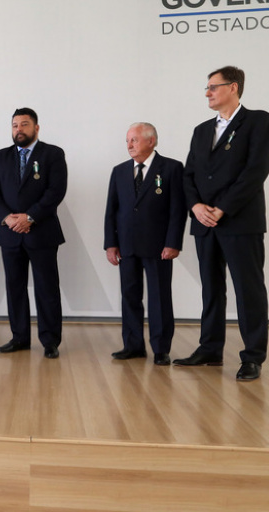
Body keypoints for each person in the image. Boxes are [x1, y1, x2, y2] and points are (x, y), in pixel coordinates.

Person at [173, 66, 269, 381]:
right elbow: (189, 174)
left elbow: (255, 171)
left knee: (248, 290)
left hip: (239, 222)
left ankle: (253, 357)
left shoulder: (259, 121)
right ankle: (210, 349)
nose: (207, 93)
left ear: (233, 87)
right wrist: (196, 206)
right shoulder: (202, 130)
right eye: (206, 88)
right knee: (211, 289)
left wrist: (222, 209)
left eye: (213, 87)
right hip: (205, 223)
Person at [0, 108, 67, 359]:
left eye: (24, 124)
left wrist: (30, 217)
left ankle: (50, 340)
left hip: (41, 232)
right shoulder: (1, 156)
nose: (18, 129)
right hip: (10, 233)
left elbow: (56, 190)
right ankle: (19, 337)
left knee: (47, 288)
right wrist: (7, 218)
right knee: (15, 288)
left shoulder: (52, 153)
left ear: (36, 128)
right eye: (14, 125)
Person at [103, 123, 186, 366]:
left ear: (151, 141)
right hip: (127, 245)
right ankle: (133, 345)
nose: (129, 145)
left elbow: (177, 211)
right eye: (127, 140)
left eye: (135, 140)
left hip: (159, 247)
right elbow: (111, 211)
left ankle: (161, 349)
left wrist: (173, 243)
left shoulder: (171, 168)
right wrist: (111, 244)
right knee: (129, 295)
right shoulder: (119, 171)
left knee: (159, 297)